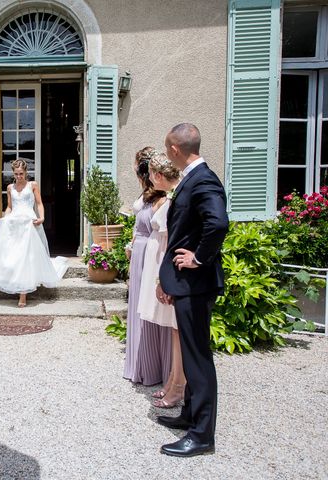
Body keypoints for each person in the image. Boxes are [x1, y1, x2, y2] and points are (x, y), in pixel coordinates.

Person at [156, 123, 229, 457]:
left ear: (174, 149)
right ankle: (189, 415)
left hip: (195, 285)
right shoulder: (192, 177)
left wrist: (199, 257)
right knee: (190, 353)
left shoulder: (204, 179)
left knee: (198, 358)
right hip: (186, 284)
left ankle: (202, 436)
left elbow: (218, 223)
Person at [137, 152, 186, 408]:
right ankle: (172, 380)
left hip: (168, 268)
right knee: (174, 329)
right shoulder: (169, 197)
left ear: (157, 176)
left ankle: (179, 384)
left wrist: (162, 278)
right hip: (161, 265)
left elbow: (171, 242)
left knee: (177, 328)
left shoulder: (173, 198)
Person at [0, 159, 68, 307]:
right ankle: (13, 282)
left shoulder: (32, 185)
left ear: (26, 172)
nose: (19, 176)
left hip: (29, 223)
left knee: (26, 257)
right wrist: (5, 218)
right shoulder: (10, 187)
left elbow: (39, 203)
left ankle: (23, 295)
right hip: (15, 224)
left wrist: (42, 218)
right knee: (13, 256)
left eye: (21, 173)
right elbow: (9, 206)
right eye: (16, 174)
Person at [123, 147, 171, 386]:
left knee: (148, 308)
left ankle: (151, 365)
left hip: (149, 254)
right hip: (139, 250)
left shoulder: (160, 197)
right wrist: (131, 245)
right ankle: (139, 363)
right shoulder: (146, 193)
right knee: (139, 306)